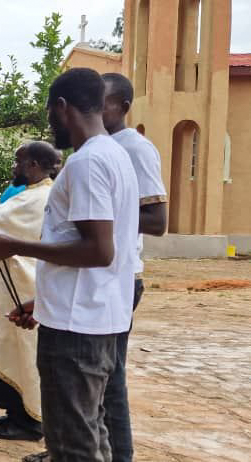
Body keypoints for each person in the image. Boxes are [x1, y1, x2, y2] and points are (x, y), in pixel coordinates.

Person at [0, 68, 140, 462]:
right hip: (93, 318)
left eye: (50, 113)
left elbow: (98, 250)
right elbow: (94, 252)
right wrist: (44, 303)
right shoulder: (114, 156)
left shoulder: (87, 164)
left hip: (76, 334)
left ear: (63, 107)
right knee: (92, 434)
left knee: (73, 446)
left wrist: (17, 246)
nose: (50, 123)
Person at [0, 141, 60, 441]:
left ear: (32, 165)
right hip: (17, 286)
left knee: (23, 355)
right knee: (13, 353)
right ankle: (18, 413)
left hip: (24, 288)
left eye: (18, 162)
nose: (14, 168)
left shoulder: (39, 197)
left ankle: (29, 422)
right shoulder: (38, 195)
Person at [101, 72, 169, 462]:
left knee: (110, 376)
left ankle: (120, 455)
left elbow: (157, 221)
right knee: (89, 376)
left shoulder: (135, 148)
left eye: (103, 102)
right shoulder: (101, 147)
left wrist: (98, 215)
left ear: (124, 107)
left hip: (124, 276)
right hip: (101, 274)